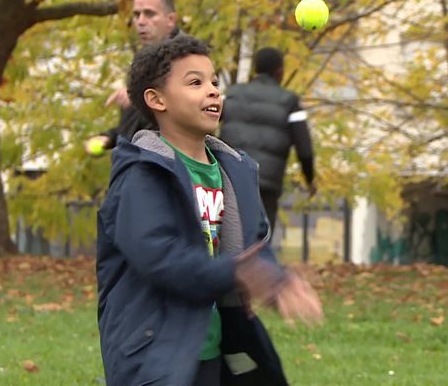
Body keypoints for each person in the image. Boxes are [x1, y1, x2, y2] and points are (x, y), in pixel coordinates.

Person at [96, 35, 323, 386]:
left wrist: (275, 278)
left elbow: (252, 245)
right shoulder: (141, 176)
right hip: (153, 351)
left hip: (214, 346)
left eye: (215, 82)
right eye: (195, 82)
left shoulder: (235, 171)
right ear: (156, 100)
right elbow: (160, 256)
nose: (213, 91)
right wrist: (241, 272)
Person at [219, 47, 316, 233]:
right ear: (280, 71)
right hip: (266, 184)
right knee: (259, 238)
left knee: (228, 236)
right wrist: (310, 179)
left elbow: (204, 122)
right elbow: (305, 148)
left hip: (230, 176)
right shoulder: (289, 102)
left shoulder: (232, 94)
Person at [84, 0, 181, 154]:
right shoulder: (143, 60)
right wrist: (109, 137)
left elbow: (188, 112)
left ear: (171, 20)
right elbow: (138, 128)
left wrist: (139, 97)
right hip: (134, 168)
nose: (141, 21)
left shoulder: (187, 57)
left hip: (168, 170)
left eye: (149, 14)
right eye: (137, 14)